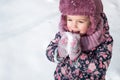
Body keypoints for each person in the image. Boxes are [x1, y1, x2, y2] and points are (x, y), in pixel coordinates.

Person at [46, 0, 113, 80]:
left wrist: (78, 57)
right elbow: (49, 51)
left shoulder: (103, 40)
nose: (74, 25)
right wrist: (59, 53)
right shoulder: (64, 34)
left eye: (80, 21)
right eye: (70, 20)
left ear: (92, 22)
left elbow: (101, 68)